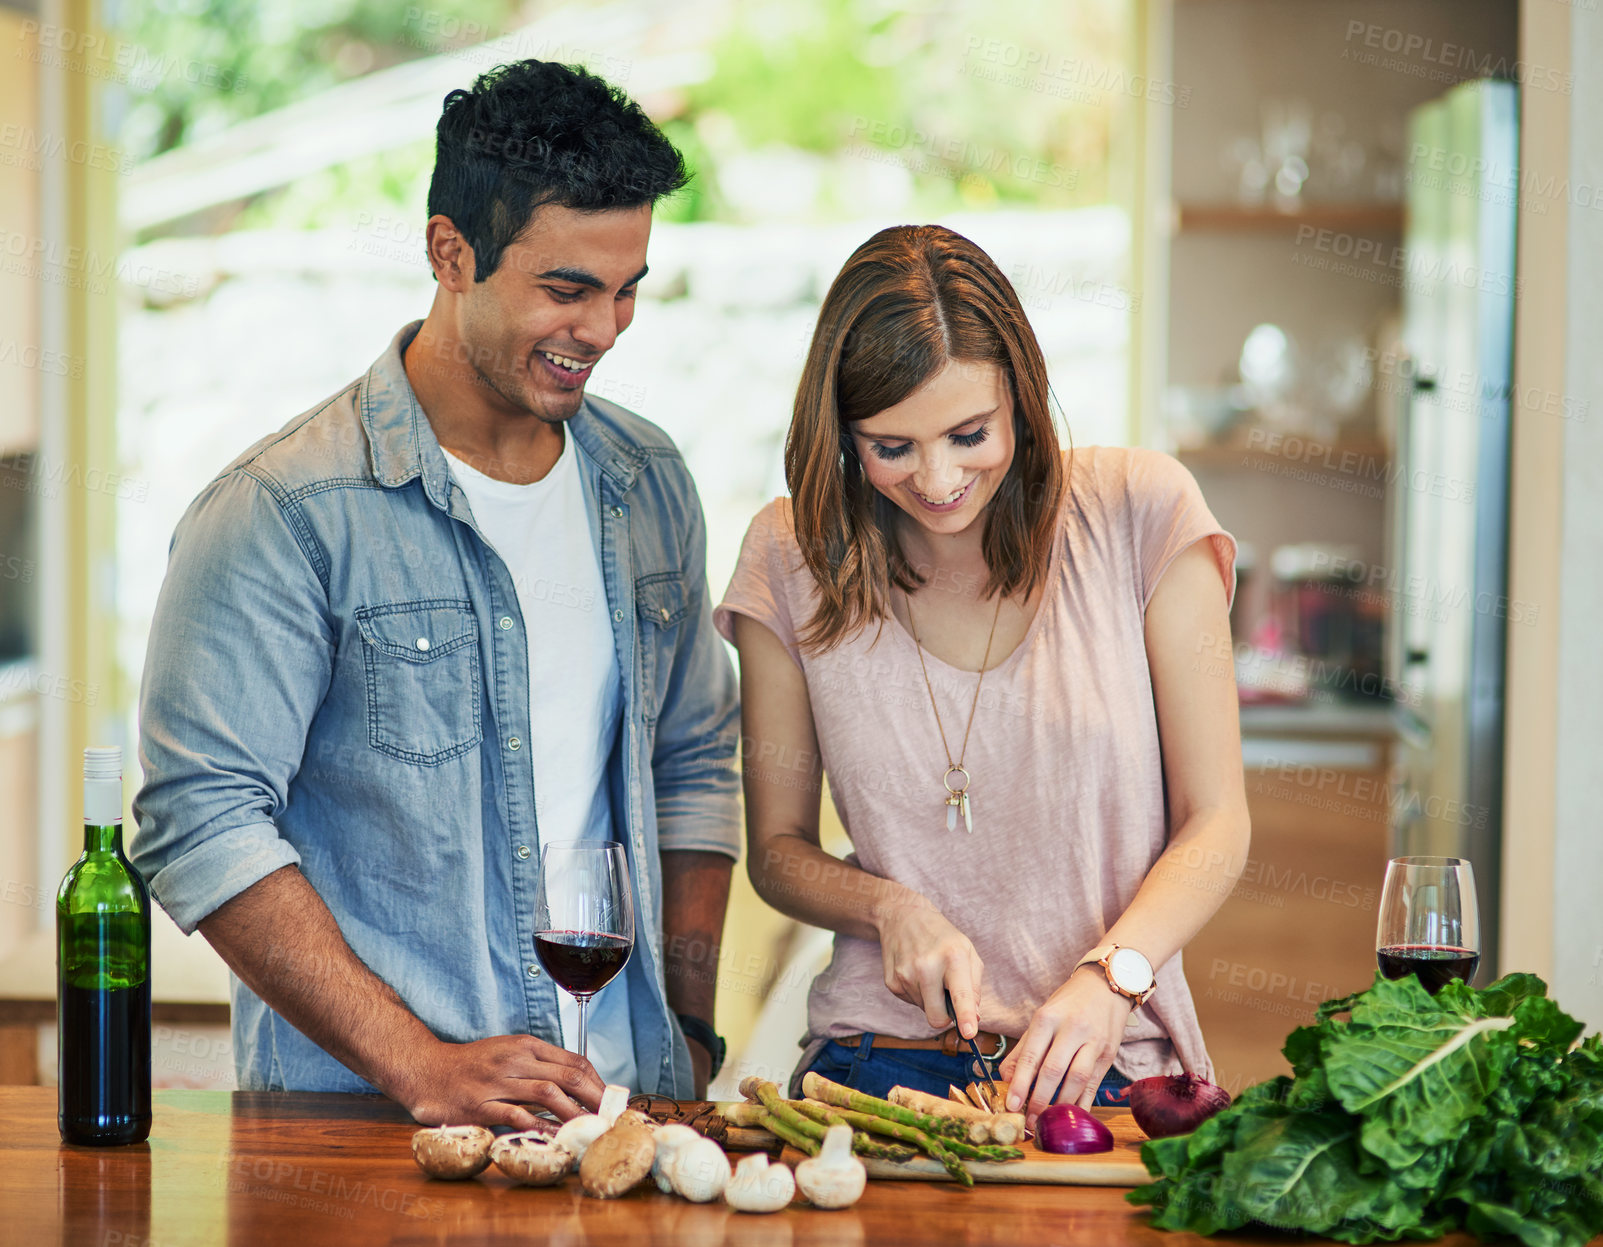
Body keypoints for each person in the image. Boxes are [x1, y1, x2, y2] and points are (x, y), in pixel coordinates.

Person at [132, 60, 740, 1126]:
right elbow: (202, 817)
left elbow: (694, 759)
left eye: (626, 286)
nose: (603, 328)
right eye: (566, 288)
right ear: (449, 252)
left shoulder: (646, 484)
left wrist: (688, 1030)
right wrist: (421, 1063)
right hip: (370, 1130)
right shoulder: (283, 512)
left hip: (625, 1110)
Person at [716, 224, 1250, 1126]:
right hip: (873, 1070)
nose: (937, 478)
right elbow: (776, 852)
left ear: (1021, 400)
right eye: (890, 446)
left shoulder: (1139, 514)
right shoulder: (788, 553)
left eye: (970, 434)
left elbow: (1218, 819)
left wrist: (1110, 977)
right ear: (840, 434)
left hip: (1111, 1064)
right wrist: (886, 905)